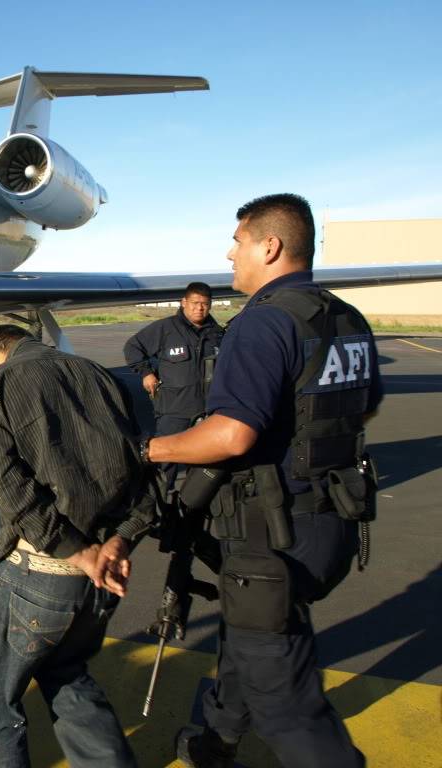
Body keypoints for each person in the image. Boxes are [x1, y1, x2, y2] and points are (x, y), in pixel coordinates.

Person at [143, 194, 377, 768]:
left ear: (269, 246)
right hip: (334, 523)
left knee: (287, 707)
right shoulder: (346, 318)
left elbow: (232, 436)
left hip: (271, 536)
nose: (230, 253)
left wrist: (151, 448)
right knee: (250, 635)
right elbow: (361, 409)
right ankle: (215, 742)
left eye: (239, 240)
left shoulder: (263, 322)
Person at [0, 324, 155, 768]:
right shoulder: (99, 375)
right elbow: (143, 465)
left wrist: (78, 551)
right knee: (65, 673)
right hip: (103, 576)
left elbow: (9, 491)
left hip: (41, 574)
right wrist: (120, 540)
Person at [124, 282, 224, 435]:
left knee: (208, 457)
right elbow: (133, 347)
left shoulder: (218, 334)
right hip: (174, 412)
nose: (199, 308)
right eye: (195, 303)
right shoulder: (165, 328)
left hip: (210, 411)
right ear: (184, 302)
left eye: (205, 303)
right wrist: (146, 373)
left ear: (210, 305)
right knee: (170, 456)